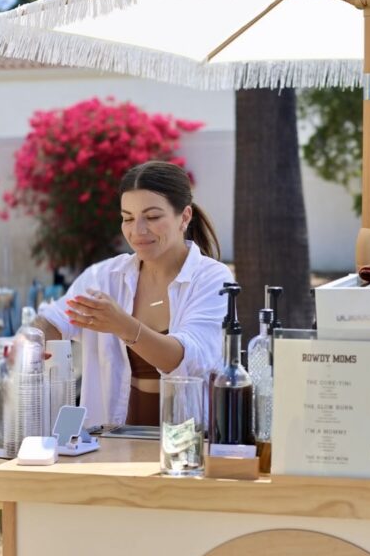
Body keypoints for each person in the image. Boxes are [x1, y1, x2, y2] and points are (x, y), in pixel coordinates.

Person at [36, 161, 232, 428]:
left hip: (185, 443)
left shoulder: (212, 278)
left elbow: (185, 359)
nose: (138, 230)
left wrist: (123, 325)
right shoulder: (104, 277)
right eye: (128, 218)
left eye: (152, 217)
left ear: (185, 217)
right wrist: (31, 342)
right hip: (110, 442)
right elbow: (54, 320)